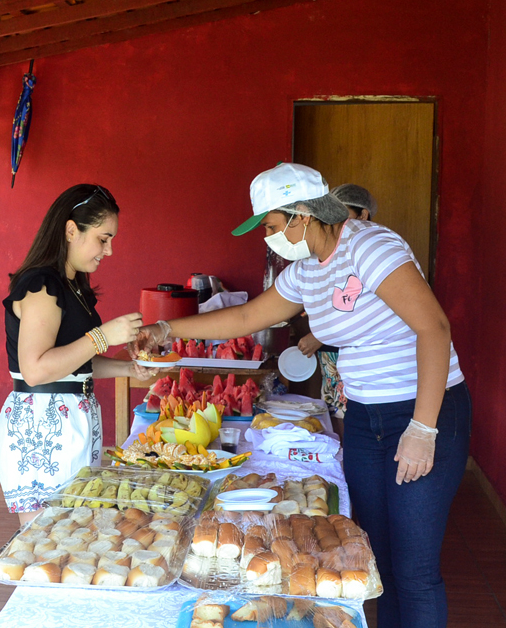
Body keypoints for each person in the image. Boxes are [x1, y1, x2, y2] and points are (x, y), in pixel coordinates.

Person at [133, 163, 469, 628]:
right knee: (380, 557)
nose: (267, 237)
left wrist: (423, 428)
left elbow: (434, 328)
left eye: (271, 226)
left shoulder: (369, 246)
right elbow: (246, 318)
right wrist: (165, 329)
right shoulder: (307, 270)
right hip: (365, 416)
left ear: (303, 215)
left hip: (422, 411)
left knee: (415, 570)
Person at [0, 183, 157, 525]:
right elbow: (36, 370)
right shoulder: (42, 286)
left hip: (72, 423)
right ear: (71, 230)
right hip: (42, 429)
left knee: (74, 533)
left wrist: (129, 369)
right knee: (47, 538)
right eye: (103, 238)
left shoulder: (73, 286)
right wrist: (101, 336)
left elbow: (73, 363)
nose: (109, 250)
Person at [297, 183, 380, 426]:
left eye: (341, 215)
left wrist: (319, 335)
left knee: (351, 415)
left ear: (363, 215)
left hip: (362, 357)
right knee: (335, 411)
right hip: (332, 351)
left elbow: (364, 311)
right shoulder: (330, 253)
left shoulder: (370, 251)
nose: (333, 222)